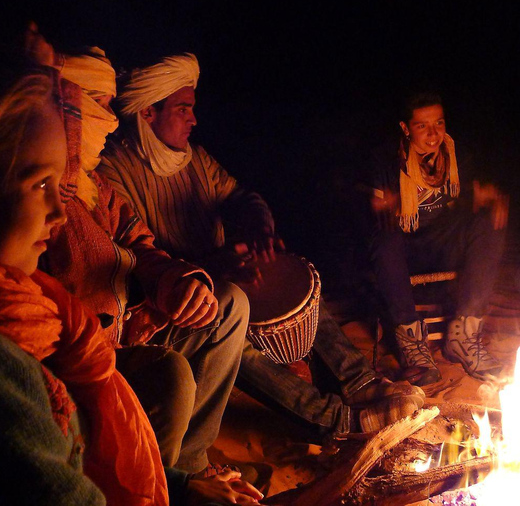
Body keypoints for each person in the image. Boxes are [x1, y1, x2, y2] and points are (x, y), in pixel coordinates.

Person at [99, 53, 424, 441]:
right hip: (175, 305)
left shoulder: (195, 160)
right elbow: (141, 262)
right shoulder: (112, 174)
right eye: (183, 109)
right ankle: (335, 421)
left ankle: (359, 384)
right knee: (225, 322)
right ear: (147, 113)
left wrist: (258, 229)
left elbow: (242, 197)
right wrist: (220, 267)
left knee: (297, 282)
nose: (194, 119)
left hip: (225, 275)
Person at [0, 43, 263, 506]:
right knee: (171, 373)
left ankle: (190, 465)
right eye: (99, 105)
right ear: (69, 106)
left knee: (228, 306)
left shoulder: (93, 185)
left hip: (129, 324)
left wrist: (176, 281)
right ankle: (161, 481)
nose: (111, 119)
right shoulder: (89, 181)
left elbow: (141, 242)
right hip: (102, 342)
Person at [367, 91, 508, 385]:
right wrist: (380, 206)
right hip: (408, 249)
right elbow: (368, 209)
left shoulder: (456, 155)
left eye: (439, 123)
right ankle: (410, 339)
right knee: (385, 238)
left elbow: (471, 194)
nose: (434, 134)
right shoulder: (388, 161)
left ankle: (464, 335)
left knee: (489, 225)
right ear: (406, 128)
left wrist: (486, 199)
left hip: (445, 245)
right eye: (422, 126)